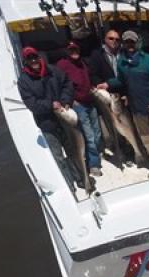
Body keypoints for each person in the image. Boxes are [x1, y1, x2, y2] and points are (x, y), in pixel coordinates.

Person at [97, 30, 149, 178]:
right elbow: (121, 80)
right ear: (123, 43)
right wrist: (107, 84)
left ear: (137, 42)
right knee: (147, 138)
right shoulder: (122, 62)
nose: (130, 45)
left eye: (132, 42)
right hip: (136, 108)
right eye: (127, 42)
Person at [17, 46, 80, 192]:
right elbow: (32, 104)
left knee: (72, 150)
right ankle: (69, 185)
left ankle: (80, 177)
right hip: (47, 124)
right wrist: (50, 105)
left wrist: (65, 101)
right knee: (58, 156)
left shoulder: (53, 70)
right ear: (25, 62)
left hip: (64, 120)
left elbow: (67, 84)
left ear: (39, 57)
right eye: (29, 59)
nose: (33, 61)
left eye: (35, 57)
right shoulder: (23, 81)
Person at [57, 41, 103, 176]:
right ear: (66, 51)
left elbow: (88, 79)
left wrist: (94, 87)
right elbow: (61, 85)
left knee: (97, 132)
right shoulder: (62, 65)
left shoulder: (82, 63)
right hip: (79, 105)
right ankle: (94, 165)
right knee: (89, 136)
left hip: (90, 102)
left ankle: (95, 155)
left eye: (76, 49)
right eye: (71, 50)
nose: (74, 52)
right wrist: (70, 101)